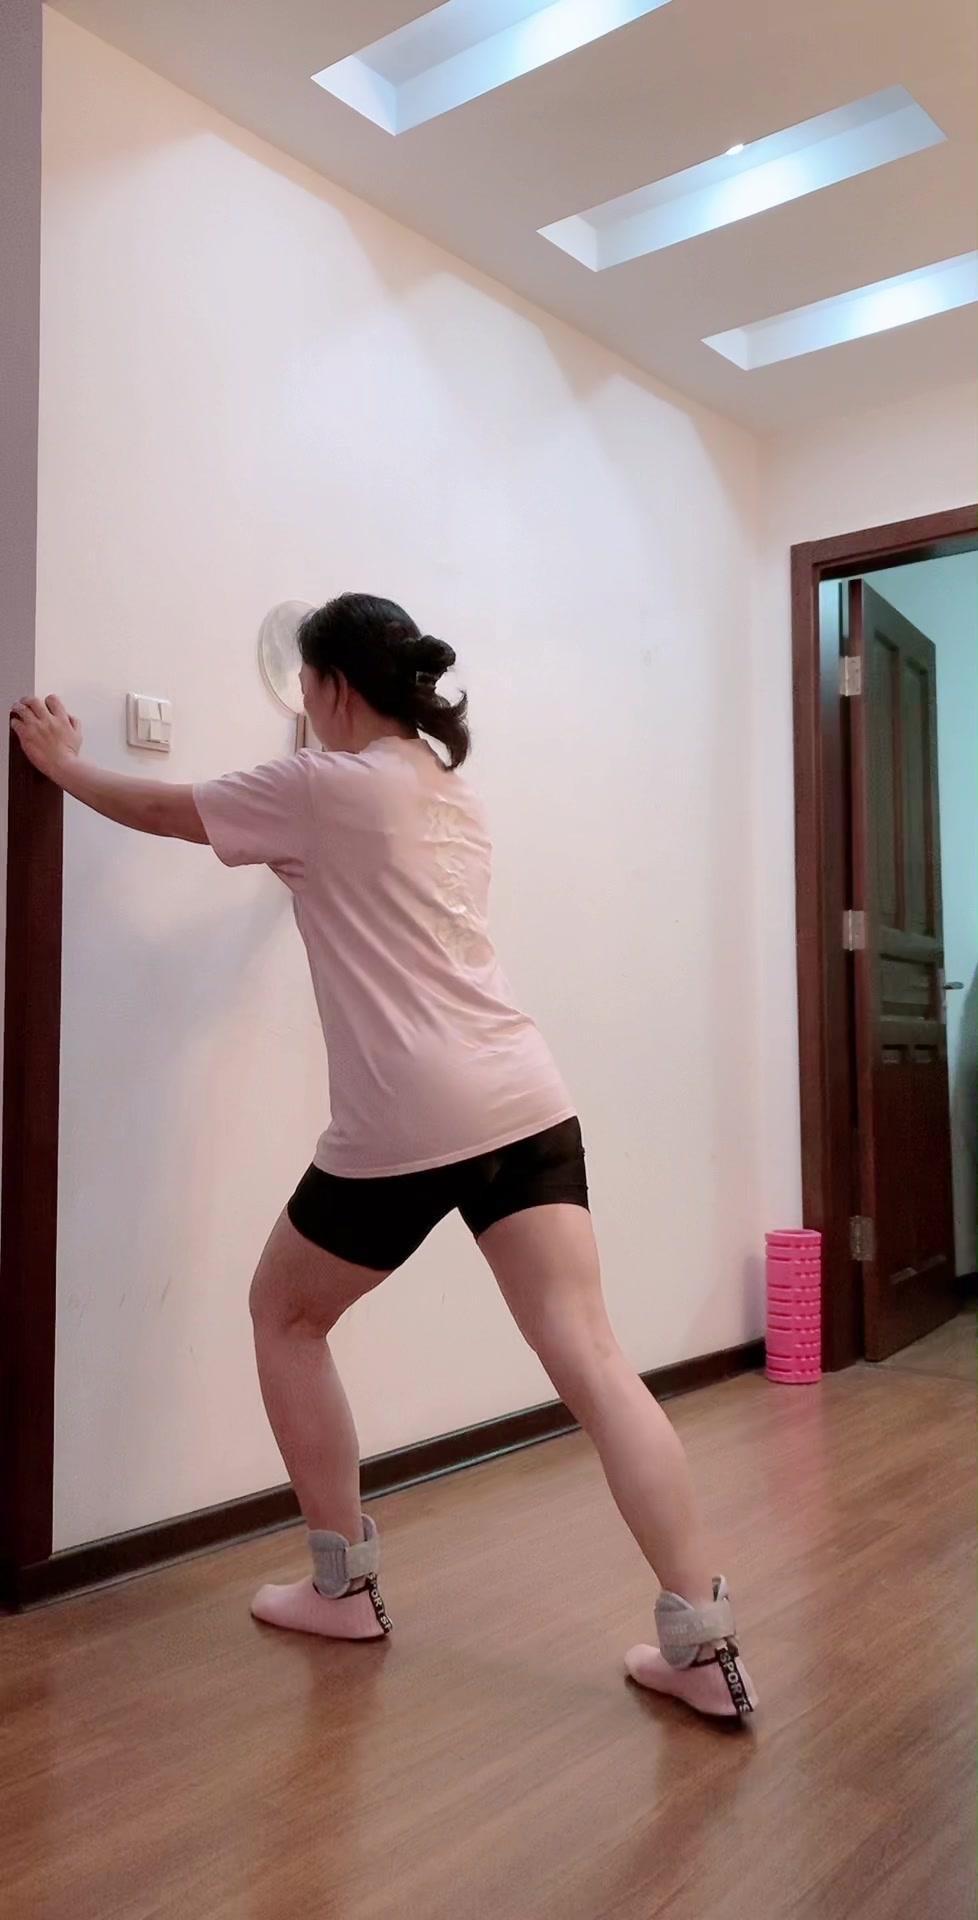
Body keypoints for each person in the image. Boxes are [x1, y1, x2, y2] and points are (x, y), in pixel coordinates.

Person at [11, 592, 756, 1720]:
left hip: (409, 1116)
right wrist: (299, 788)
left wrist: (65, 767)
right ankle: (705, 1645)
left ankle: (343, 1589)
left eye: (311, 692)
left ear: (330, 688)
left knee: (284, 1314)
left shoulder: (323, 789)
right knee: (596, 1360)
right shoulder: (452, 796)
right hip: (527, 1099)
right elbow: (340, 869)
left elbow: (166, 810)